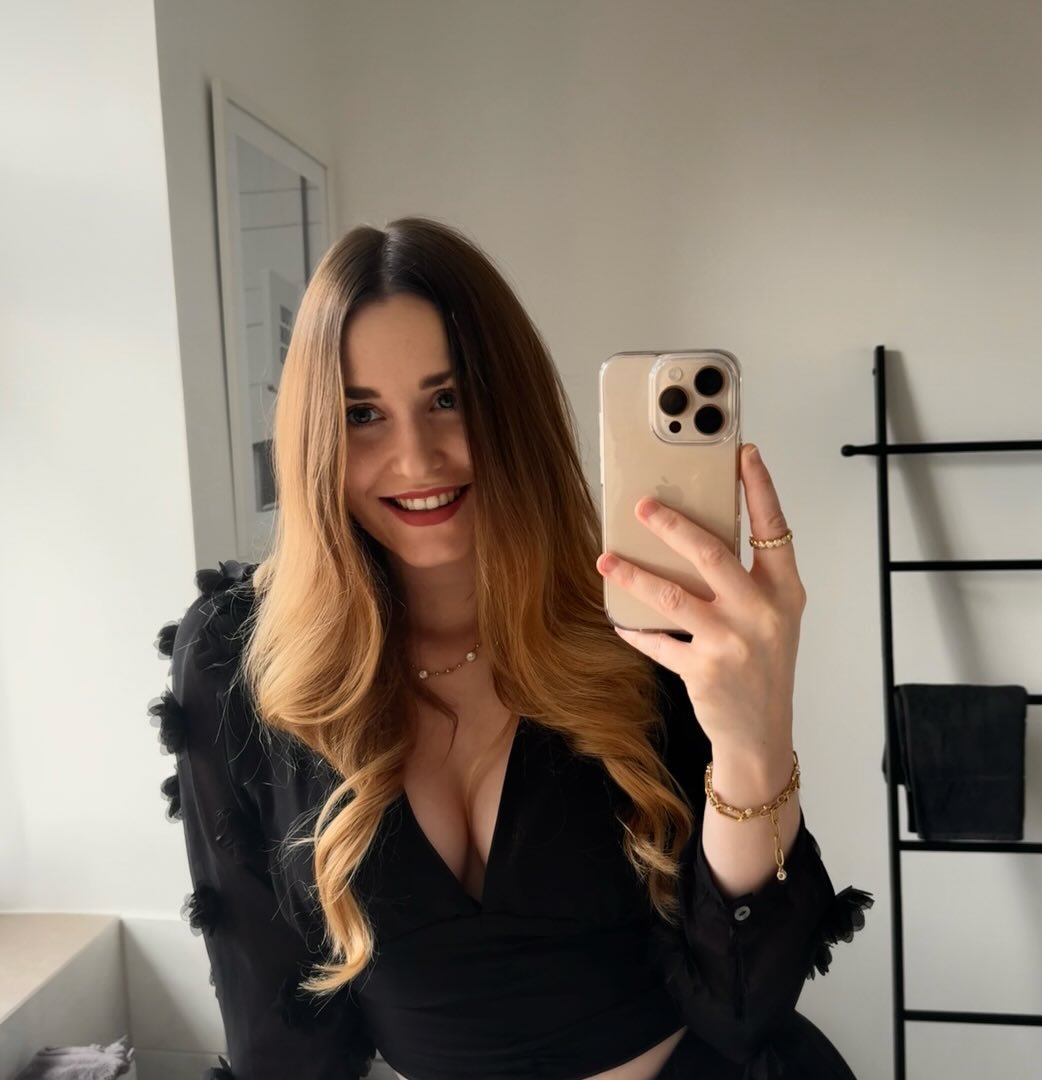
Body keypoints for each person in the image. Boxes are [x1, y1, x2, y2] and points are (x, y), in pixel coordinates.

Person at [149, 217, 872, 1080]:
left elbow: (744, 1005)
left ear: (512, 406)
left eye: (448, 399)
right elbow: (280, 1044)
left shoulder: (644, 623)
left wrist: (757, 736)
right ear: (314, 436)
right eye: (362, 414)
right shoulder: (239, 658)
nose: (416, 458)